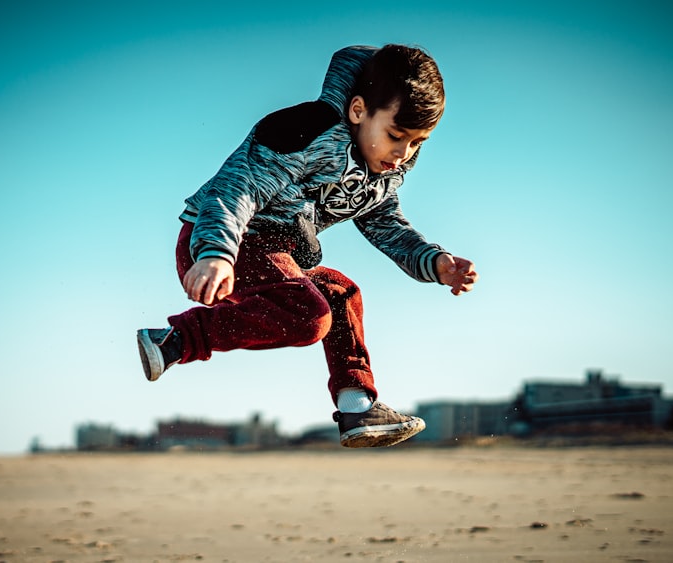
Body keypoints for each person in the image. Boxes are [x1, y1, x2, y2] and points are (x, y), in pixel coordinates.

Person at [137, 44, 478, 448]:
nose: (403, 155)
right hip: (223, 241)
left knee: (340, 294)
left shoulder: (383, 174)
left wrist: (434, 261)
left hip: (279, 254)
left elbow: (385, 224)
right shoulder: (304, 130)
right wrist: (216, 253)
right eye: (395, 136)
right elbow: (236, 190)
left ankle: (357, 408)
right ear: (357, 110)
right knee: (309, 315)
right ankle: (174, 340)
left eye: (417, 143)